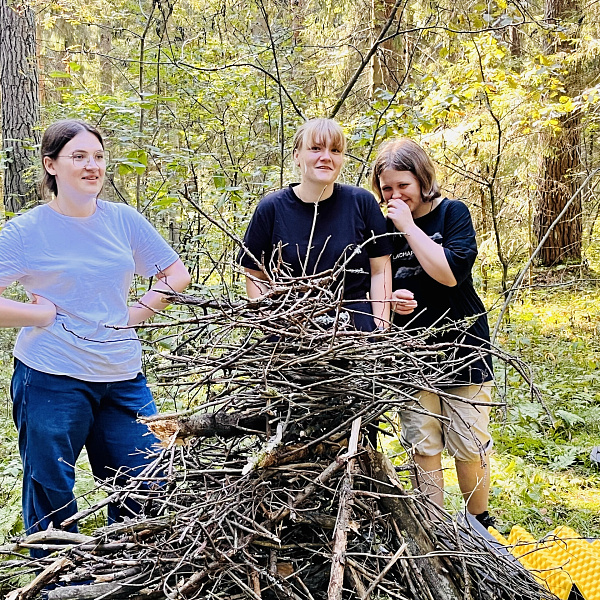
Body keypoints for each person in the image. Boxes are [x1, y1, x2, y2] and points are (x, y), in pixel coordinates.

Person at [0, 119, 191, 544]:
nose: (92, 166)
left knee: (147, 484)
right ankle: (56, 584)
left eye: (99, 157)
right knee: (52, 494)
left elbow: (176, 274)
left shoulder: (122, 219)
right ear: (51, 165)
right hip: (51, 377)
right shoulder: (27, 232)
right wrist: (40, 316)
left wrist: (135, 313)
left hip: (122, 375)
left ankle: (126, 575)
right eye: (79, 157)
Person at [371, 138, 494, 527]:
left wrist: (408, 227)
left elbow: (450, 274)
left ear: (423, 179)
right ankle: (436, 528)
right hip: (410, 349)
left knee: (469, 442)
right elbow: (378, 279)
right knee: (423, 442)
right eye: (387, 188)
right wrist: (394, 300)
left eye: (402, 185)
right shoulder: (383, 227)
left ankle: (479, 523)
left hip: (464, 343)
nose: (395, 195)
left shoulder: (453, 214)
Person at [239, 118, 392, 333]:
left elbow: (380, 270)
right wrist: (272, 324)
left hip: (356, 330)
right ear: (297, 156)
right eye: (316, 148)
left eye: (335, 150)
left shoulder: (362, 203)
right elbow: (254, 274)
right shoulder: (272, 208)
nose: (326, 157)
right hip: (290, 328)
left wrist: (381, 327)